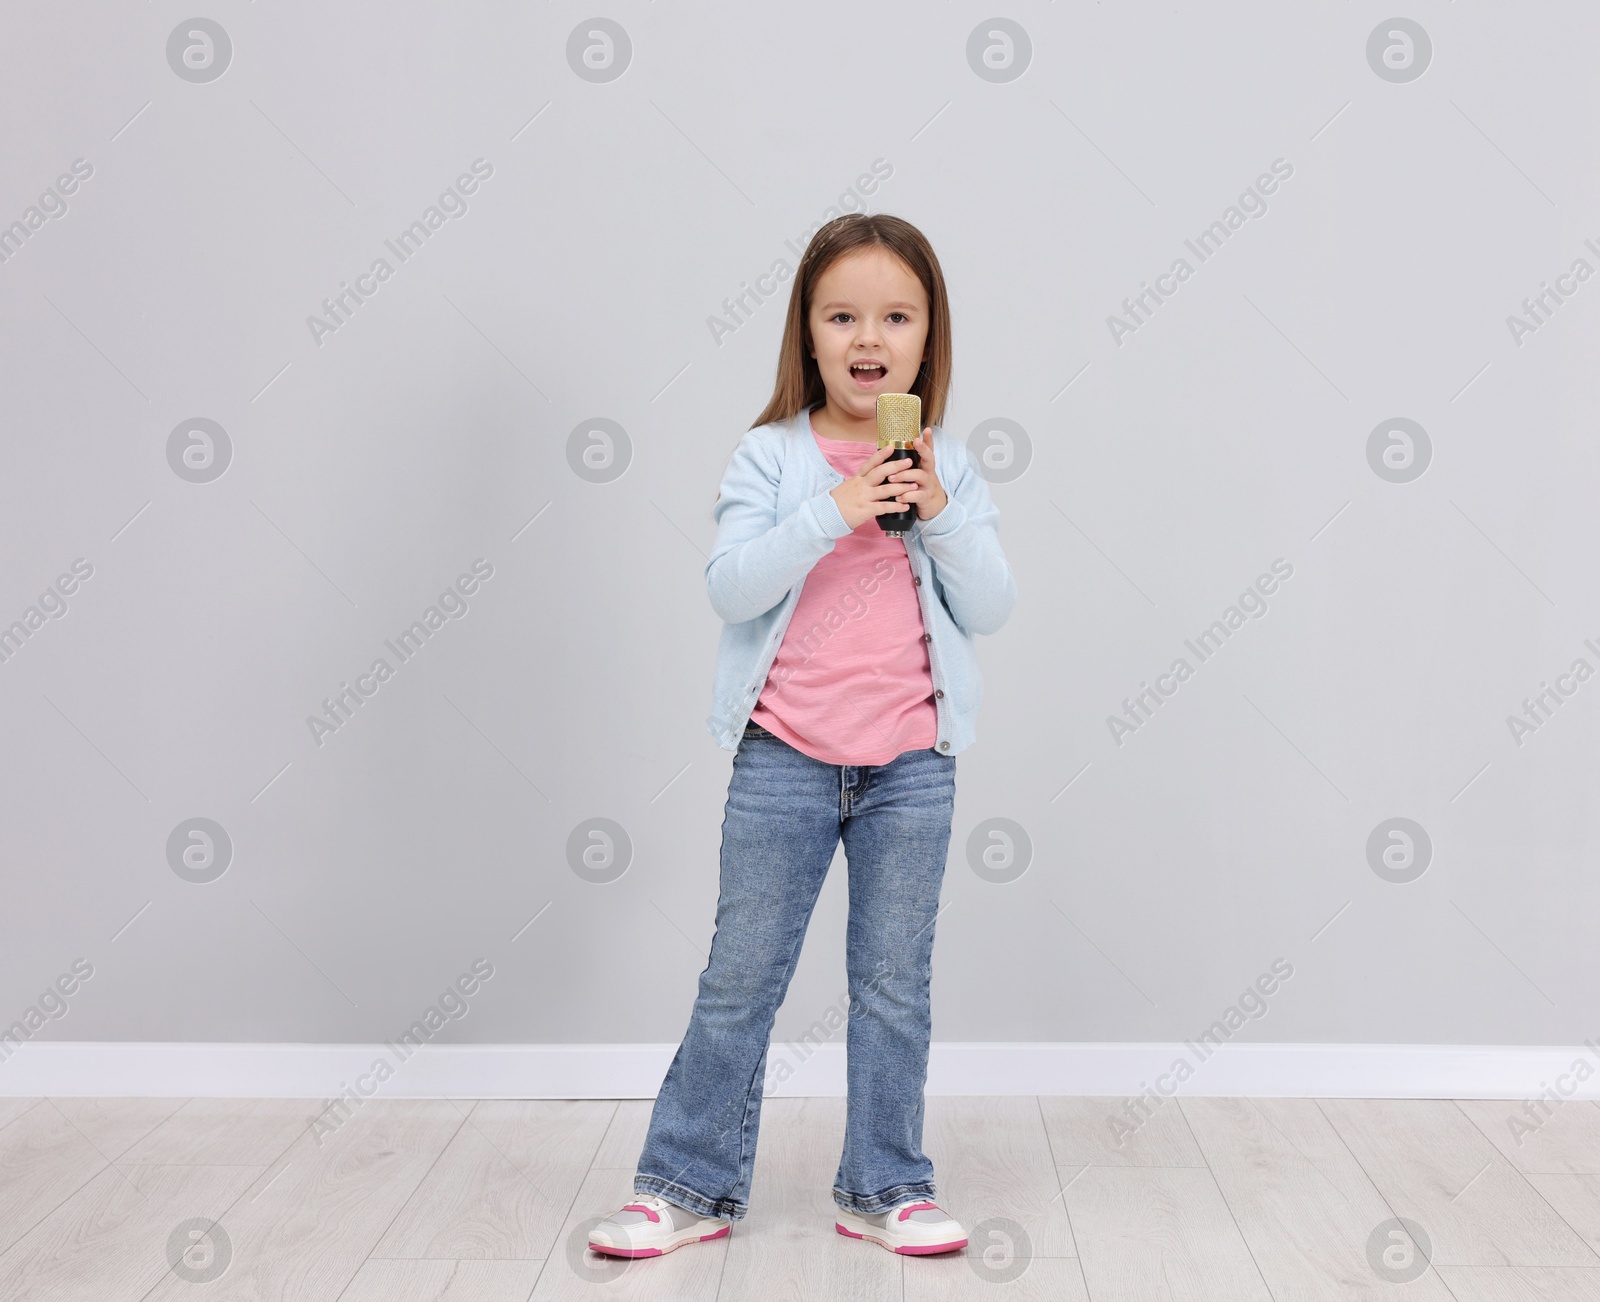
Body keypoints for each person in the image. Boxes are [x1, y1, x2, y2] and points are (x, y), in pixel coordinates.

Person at [588, 212, 1016, 1259]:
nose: (868, 336)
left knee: (890, 985)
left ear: (927, 339)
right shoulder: (770, 455)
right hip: (784, 758)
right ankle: (683, 1183)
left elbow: (992, 608)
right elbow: (731, 587)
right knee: (740, 975)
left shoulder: (948, 462)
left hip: (908, 768)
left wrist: (942, 510)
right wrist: (837, 505)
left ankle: (885, 1183)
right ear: (807, 334)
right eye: (841, 315)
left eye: (895, 316)